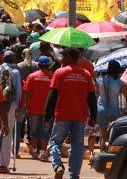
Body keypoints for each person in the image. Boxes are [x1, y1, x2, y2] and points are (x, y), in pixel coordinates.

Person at [44, 48, 97, 179]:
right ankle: (73, 176)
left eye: (63, 56)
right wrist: (93, 116)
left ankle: (58, 165)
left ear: (68, 56)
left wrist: (47, 115)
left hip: (62, 115)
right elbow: (92, 97)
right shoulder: (86, 74)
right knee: (77, 147)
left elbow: (52, 95)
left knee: (54, 143)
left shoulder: (60, 72)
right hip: (80, 116)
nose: (61, 59)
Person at [0, 50, 22, 174]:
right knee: (7, 134)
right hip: (9, 105)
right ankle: (3, 165)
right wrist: (17, 107)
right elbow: (18, 92)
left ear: (3, 59)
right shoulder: (16, 72)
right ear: (13, 60)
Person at [24, 56, 54, 161]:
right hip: (48, 110)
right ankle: (43, 153)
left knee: (34, 131)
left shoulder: (32, 76)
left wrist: (26, 107)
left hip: (34, 109)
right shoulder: (53, 76)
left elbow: (27, 93)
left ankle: (35, 151)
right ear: (49, 65)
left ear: (39, 65)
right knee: (46, 132)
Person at [96, 60, 127, 151]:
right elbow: (126, 95)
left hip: (101, 107)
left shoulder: (100, 79)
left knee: (103, 134)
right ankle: (111, 152)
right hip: (114, 109)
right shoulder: (120, 82)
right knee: (114, 133)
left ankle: (102, 152)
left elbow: (96, 93)